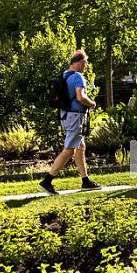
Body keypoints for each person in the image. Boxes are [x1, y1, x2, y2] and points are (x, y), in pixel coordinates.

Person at [39, 50, 101, 195]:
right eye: (85, 63)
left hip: (65, 115)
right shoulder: (78, 77)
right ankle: (47, 181)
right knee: (69, 150)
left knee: (80, 147)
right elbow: (81, 97)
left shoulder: (65, 75)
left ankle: (85, 181)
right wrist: (92, 104)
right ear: (79, 62)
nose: (85, 66)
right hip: (75, 117)